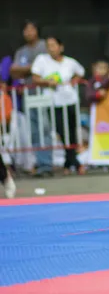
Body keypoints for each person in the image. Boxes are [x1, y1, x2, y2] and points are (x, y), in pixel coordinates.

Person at [31, 37, 85, 175]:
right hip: (53, 102)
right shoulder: (42, 60)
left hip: (70, 99)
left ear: (61, 47)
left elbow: (81, 72)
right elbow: (35, 78)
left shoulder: (69, 62)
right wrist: (47, 82)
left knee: (72, 131)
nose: (51, 48)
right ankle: (74, 162)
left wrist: (74, 81)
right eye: (48, 45)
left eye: (53, 45)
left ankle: (70, 162)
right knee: (61, 131)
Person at [10, 20, 53, 177]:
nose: (28, 32)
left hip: (45, 93)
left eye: (31, 29)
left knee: (45, 128)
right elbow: (14, 71)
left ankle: (47, 164)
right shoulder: (21, 51)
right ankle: (41, 164)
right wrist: (33, 68)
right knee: (35, 131)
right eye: (26, 30)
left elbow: (48, 65)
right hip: (29, 94)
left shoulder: (44, 45)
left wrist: (28, 70)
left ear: (37, 30)